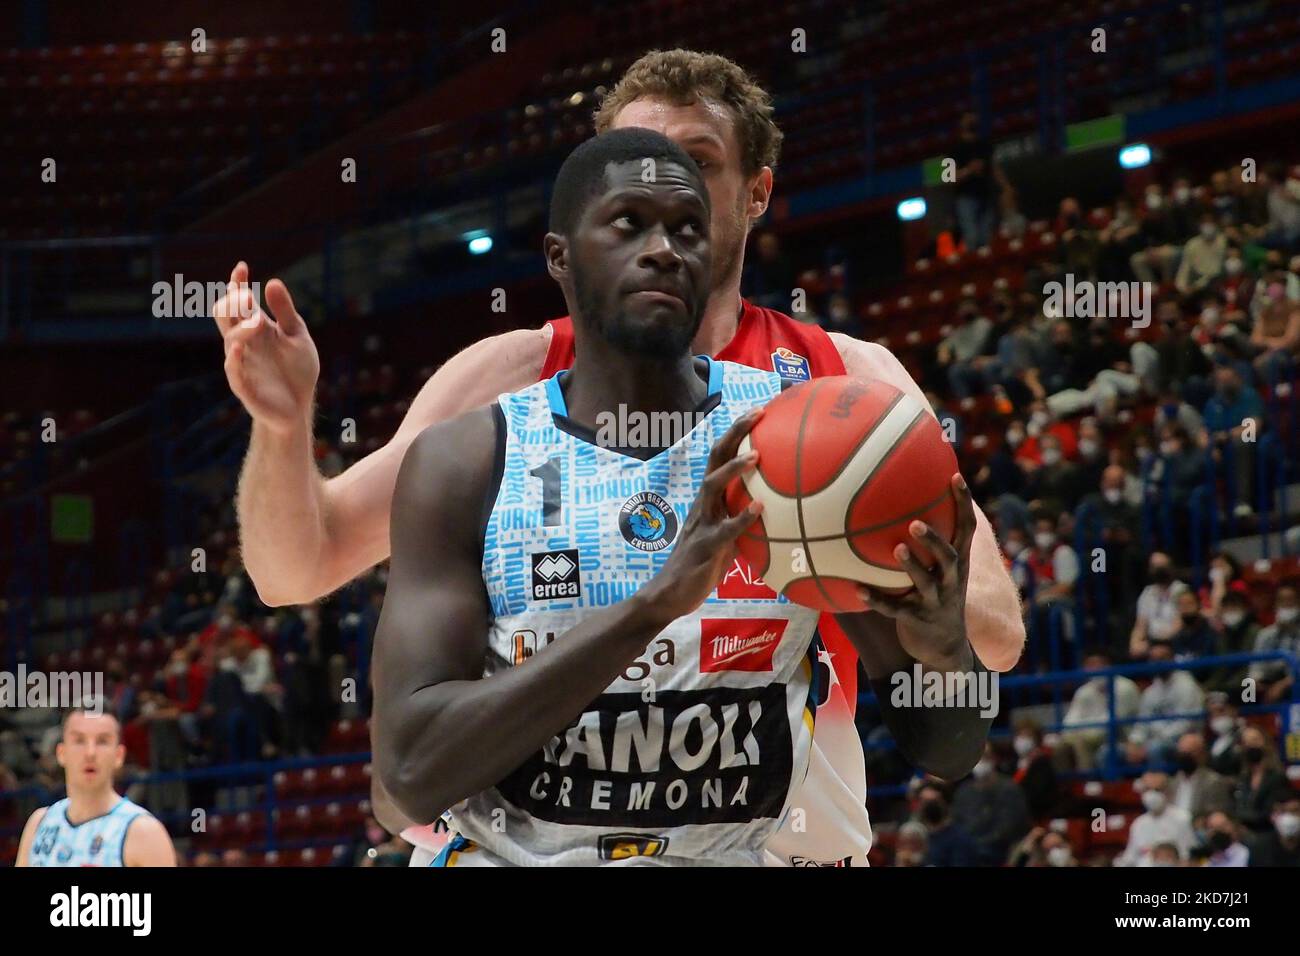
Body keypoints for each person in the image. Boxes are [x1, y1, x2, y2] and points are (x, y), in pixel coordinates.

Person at [212, 49, 1025, 864]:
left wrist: (915, 607)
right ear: (570, 233)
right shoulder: (502, 390)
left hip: (781, 833)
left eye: (695, 167)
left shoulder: (835, 393)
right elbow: (297, 571)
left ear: (752, 196)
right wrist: (282, 433)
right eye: (629, 187)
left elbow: (991, 640)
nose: (664, 229)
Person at [370, 128, 993, 867]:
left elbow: (949, 752)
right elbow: (408, 775)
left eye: (689, 229)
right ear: (560, 257)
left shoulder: (794, 440)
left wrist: (947, 651)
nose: (665, 248)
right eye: (630, 223)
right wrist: (650, 608)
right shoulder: (469, 460)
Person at [16, 710, 176, 867]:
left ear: (119, 755)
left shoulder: (144, 832)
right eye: (79, 740)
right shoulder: (40, 823)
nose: (90, 753)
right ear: (61, 753)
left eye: (102, 741)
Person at [1114, 771, 1195, 866]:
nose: (1151, 794)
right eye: (1147, 789)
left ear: (1167, 791)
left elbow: (1187, 856)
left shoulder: (1182, 818)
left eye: (1157, 790)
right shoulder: (1139, 823)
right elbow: (1130, 857)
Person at [1249, 585, 1300, 703]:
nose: (1286, 604)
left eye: (1290, 599)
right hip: (1269, 679)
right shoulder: (1265, 634)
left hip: (1293, 680)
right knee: (1246, 694)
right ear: (1276, 604)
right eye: (1282, 600)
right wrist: (1255, 682)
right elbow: (1255, 666)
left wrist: (1282, 685)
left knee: (1288, 691)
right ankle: (1250, 720)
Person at [1171, 731, 1233, 819]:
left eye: (1190, 753)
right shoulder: (1173, 782)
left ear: (1202, 755)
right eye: (1182, 753)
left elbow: (1214, 816)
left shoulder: (1213, 782)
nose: (1185, 757)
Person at [1248, 796, 1300, 866]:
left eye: (1294, 811)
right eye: (1283, 811)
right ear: (1273, 816)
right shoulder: (1260, 849)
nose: (1289, 817)